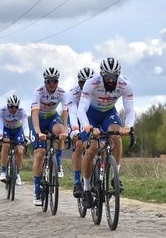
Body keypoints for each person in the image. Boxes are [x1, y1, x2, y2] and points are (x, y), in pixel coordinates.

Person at [77, 58, 135, 208]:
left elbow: (130, 110)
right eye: (107, 76)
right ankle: (87, 189)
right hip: (90, 114)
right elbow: (81, 109)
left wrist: (128, 126)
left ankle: (115, 176)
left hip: (109, 113)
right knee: (93, 148)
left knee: (116, 137)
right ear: (101, 75)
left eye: (113, 77)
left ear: (118, 75)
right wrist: (88, 127)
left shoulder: (125, 85)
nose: (110, 80)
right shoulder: (91, 83)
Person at [30, 67, 68, 206]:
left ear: (58, 81)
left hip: (52, 118)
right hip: (38, 120)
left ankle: (58, 162)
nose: (52, 84)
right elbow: (34, 113)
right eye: (49, 81)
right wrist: (39, 132)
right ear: (45, 81)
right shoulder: (38, 92)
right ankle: (37, 190)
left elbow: (65, 112)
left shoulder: (62, 92)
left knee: (60, 130)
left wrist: (65, 130)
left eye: (54, 81)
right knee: (40, 154)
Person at [66, 67, 94, 198]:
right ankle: (77, 181)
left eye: (88, 82)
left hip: (90, 117)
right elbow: (72, 113)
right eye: (83, 83)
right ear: (79, 83)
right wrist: (75, 129)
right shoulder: (73, 94)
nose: (85, 86)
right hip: (76, 118)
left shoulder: (96, 90)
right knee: (78, 144)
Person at [0, 94, 28, 186]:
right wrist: (0, 136)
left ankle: (17, 173)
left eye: (16, 107)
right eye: (11, 107)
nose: (14, 109)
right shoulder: (2, 110)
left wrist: (26, 136)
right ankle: (3, 170)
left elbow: (25, 125)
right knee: (5, 144)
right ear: (7, 105)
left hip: (17, 130)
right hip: (6, 130)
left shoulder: (22, 111)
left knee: (20, 151)